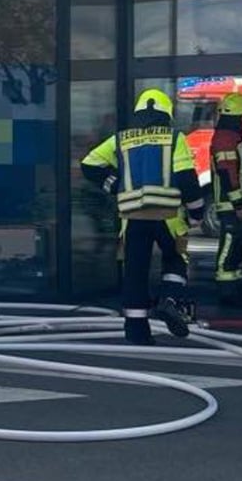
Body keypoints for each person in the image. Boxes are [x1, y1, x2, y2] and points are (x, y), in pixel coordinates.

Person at [81, 89, 206, 345]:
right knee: (176, 259)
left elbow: (89, 164)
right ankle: (168, 301)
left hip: (132, 217)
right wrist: (196, 213)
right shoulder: (174, 138)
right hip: (168, 215)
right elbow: (187, 179)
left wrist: (113, 184)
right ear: (166, 114)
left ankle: (136, 331)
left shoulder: (121, 139)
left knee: (135, 272)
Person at [210, 92, 242, 306]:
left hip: (236, 204)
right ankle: (227, 292)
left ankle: (235, 291)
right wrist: (239, 204)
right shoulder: (226, 138)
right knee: (230, 248)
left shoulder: (232, 137)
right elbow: (228, 172)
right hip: (231, 205)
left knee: (237, 248)